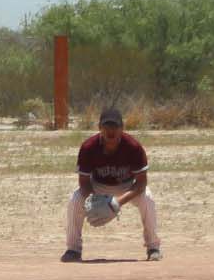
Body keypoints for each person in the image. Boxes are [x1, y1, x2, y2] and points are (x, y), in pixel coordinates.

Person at [63, 106, 162, 263]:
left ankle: (153, 247)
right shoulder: (89, 147)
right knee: (75, 200)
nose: (111, 130)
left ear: (122, 129)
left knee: (148, 199)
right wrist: (95, 199)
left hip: (127, 186)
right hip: (97, 186)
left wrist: (116, 203)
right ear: (99, 128)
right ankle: (73, 249)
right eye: (106, 126)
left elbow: (142, 183)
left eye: (115, 126)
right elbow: (83, 182)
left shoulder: (133, 147)